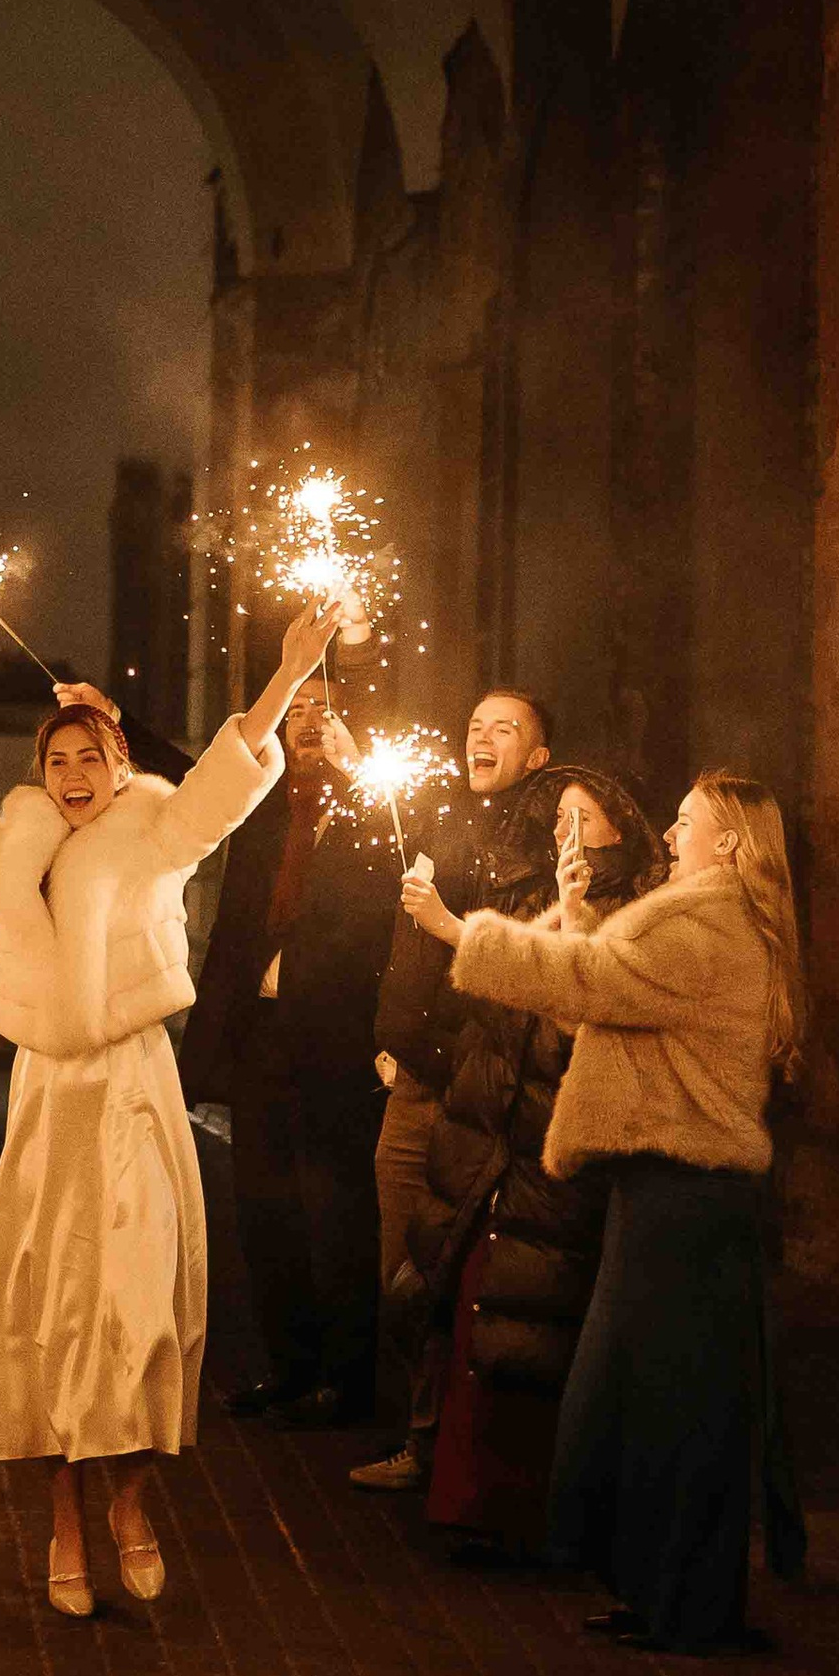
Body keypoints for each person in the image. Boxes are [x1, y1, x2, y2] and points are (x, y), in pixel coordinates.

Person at [0, 592, 350, 1620]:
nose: (73, 776)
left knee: (133, 1308)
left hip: (132, 1083)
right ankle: (63, 1519)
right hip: (49, 1093)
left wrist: (288, 673)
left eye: (90, 756)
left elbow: (229, 774)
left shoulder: (156, 829)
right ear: (38, 772)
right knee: (49, 1312)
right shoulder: (13, 840)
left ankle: (132, 1506)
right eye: (56, 761)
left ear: (117, 758)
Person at [407, 765, 799, 1651]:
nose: (669, 833)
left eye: (686, 819)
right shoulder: (708, 917)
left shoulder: (712, 922)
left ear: (730, 842)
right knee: (640, 1403)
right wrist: (576, 914)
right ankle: (656, 1591)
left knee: (674, 1410)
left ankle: (686, 1607)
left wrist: (457, 931)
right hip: (669, 1189)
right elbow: (615, 994)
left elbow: (590, 983)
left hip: (684, 1196)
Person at [390, 766, 667, 1559]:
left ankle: (522, 1511)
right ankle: (459, 1491)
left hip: (553, 1142)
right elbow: (503, 981)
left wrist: (457, 928)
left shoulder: (634, 913)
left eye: (583, 821)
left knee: (527, 1323)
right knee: (470, 1308)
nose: (566, 836)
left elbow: (571, 1002)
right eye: (558, 824)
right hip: (501, 1138)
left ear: (620, 829)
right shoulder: (548, 899)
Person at [180, 660, 400, 1428]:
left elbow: (400, 878)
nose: (308, 720)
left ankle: (348, 1376)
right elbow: (193, 774)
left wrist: (361, 778)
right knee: (262, 1209)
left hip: (336, 1038)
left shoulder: (382, 805)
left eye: (324, 706)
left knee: (336, 1213)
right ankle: (290, 1366)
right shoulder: (264, 804)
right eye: (297, 707)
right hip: (258, 1035)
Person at [355, 682, 554, 1490]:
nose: (483, 738)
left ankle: (437, 1449)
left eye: (505, 729)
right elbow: (410, 956)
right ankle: (412, 1431)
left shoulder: (538, 845)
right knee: (400, 1268)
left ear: (538, 758)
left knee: (446, 1274)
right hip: (413, 1084)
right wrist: (392, 1040)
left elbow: (513, 967)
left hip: (474, 1095)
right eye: (474, 725)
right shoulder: (442, 822)